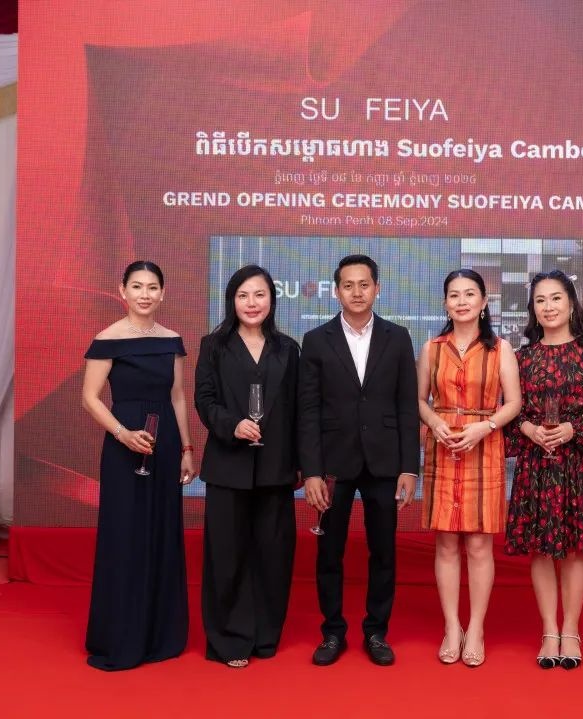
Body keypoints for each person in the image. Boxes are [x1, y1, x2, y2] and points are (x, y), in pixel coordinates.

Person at [299, 254, 420, 667]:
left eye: (364, 284)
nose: (356, 292)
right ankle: (332, 632)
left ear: (377, 289)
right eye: (348, 285)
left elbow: (407, 406)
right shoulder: (316, 340)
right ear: (336, 291)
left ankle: (376, 632)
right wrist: (311, 471)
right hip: (333, 465)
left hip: (385, 462)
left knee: (383, 551)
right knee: (329, 552)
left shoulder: (397, 337)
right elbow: (308, 411)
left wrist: (409, 467)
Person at [80, 260, 195, 671]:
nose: (145, 294)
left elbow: (177, 396)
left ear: (163, 293)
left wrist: (186, 448)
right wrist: (122, 434)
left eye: (152, 287)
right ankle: (121, 635)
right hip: (123, 447)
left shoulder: (172, 340)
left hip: (165, 447)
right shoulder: (107, 339)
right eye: (137, 286)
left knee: (162, 532)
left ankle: (160, 633)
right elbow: (89, 397)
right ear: (122, 291)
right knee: (125, 535)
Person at [503, 269, 583, 671]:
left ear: (571, 303)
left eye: (555, 298)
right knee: (540, 550)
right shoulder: (521, 359)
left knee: (572, 550)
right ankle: (548, 631)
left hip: (578, 466)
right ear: (532, 309)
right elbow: (508, 412)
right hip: (536, 465)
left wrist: (573, 429)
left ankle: (570, 630)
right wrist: (528, 429)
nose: (548, 307)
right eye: (540, 300)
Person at [194, 265, 300, 668]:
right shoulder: (214, 345)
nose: (252, 303)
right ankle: (230, 639)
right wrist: (231, 425)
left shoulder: (288, 349)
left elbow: (299, 410)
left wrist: (303, 466)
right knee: (227, 555)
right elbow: (204, 400)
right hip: (228, 466)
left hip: (276, 469)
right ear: (231, 300)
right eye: (243, 295)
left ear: (272, 299)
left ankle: (265, 635)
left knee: (273, 555)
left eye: (259, 294)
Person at [417, 269, 521, 667]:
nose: (462, 301)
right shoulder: (432, 348)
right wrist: (434, 422)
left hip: (483, 445)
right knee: (445, 543)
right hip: (443, 446)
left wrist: (486, 426)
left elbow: (514, 403)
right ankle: (451, 626)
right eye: (454, 295)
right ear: (445, 303)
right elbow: (419, 399)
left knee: (478, 545)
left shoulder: (501, 349)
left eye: (470, 294)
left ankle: (476, 627)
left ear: (484, 302)